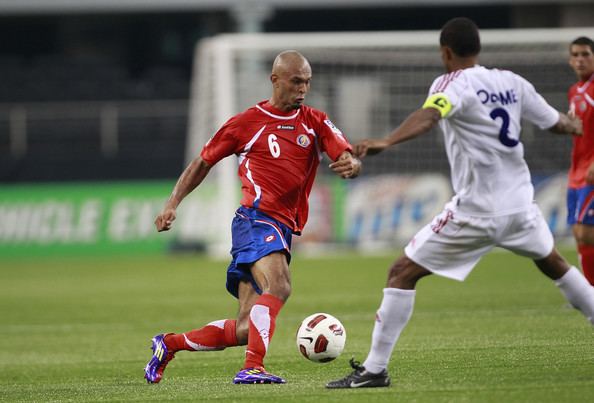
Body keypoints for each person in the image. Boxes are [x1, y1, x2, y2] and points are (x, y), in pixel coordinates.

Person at [326, 17, 594, 389]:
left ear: (445, 52)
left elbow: (430, 116)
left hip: (476, 211)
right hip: (520, 207)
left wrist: (386, 142)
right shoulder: (512, 82)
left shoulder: (452, 83)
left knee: (401, 273)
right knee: (555, 265)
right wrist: (579, 125)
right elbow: (558, 123)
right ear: (478, 48)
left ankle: (374, 369)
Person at [144, 50, 361, 385]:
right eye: (296, 81)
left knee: (247, 327)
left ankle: (168, 344)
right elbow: (202, 162)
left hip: (281, 227)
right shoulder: (247, 122)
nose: (303, 89)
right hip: (256, 219)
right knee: (281, 285)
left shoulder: (315, 121)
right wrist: (173, 202)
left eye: (307, 82)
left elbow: (343, 150)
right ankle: (253, 368)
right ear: (275, 80)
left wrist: (351, 163)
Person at [567, 36, 594, 286]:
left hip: (591, 170)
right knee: (578, 232)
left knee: (587, 232)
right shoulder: (574, 91)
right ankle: (589, 290)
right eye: (575, 55)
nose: (580, 59)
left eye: (585, 54)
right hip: (576, 171)